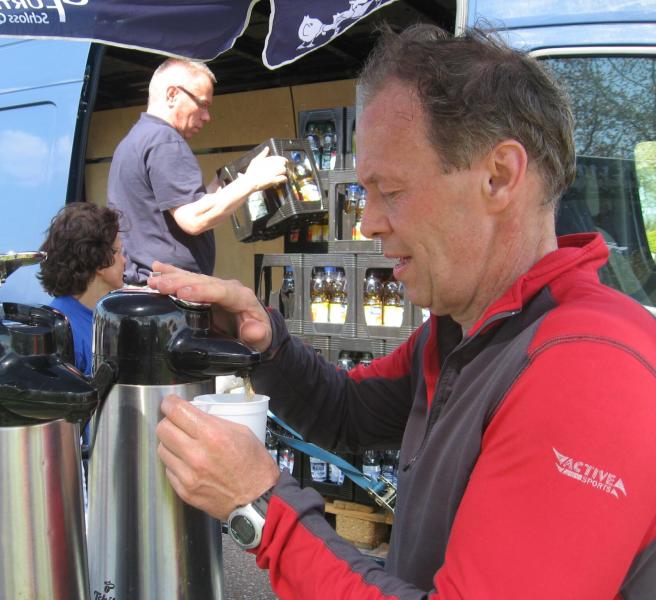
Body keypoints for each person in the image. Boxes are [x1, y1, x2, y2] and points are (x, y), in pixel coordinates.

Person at [147, 25, 656, 599]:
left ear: (499, 177)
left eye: (390, 190)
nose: (368, 222)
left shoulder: (586, 368)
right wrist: (265, 341)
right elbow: (347, 412)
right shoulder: (467, 329)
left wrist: (257, 505)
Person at [108, 57, 288, 284]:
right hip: (167, 293)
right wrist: (252, 181)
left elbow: (178, 210)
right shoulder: (165, 140)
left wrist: (220, 186)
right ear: (172, 94)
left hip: (144, 287)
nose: (207, 116)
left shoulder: (134, 140)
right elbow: (193, 218)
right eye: (202, 104)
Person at [37, 202, 125, 375]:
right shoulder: (62, 331)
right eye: (118, 252)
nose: (124, 260)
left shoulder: (107, 317)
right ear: (100, 260)